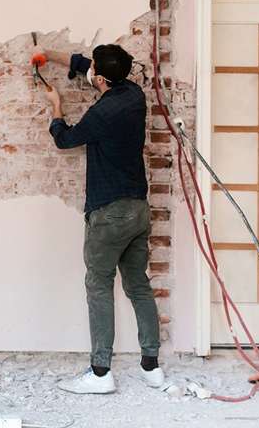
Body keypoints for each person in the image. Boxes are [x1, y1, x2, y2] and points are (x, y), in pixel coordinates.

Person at [37, 45, 165, 394]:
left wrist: (56, 107)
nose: (89, 70)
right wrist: (49, 54)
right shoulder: (134, 94)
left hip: (109, 213)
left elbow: (65, 139)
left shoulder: (102, 114)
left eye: (94, 68)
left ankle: (100, 372)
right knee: (138, 285)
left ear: (103, 78)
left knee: (99, 286)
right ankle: (151, 367)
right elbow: (89, 68)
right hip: (138, 209)